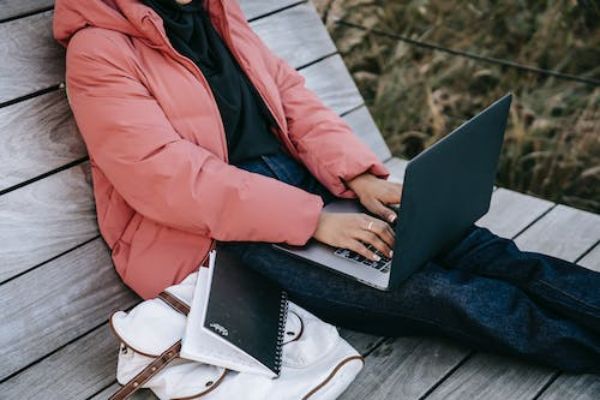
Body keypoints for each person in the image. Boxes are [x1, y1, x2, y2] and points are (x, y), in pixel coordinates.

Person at [53, 0, 600, 374]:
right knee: (436, 291)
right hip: (214, 232)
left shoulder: (216, 12)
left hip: (301, 183)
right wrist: (313, 220)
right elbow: (163, 176)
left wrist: (357, 175)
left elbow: (290, 97)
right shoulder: (99, 51)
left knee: (476, 247)